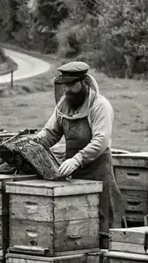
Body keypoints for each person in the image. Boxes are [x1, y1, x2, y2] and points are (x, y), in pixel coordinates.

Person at [31, 61, 128, 228]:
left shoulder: (100, 106)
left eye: (71, 85)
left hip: (97, 173)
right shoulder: (63, 106)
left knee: (104, 222)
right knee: (79, 224)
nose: (67, 89)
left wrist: (77, 159)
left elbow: (101, 141)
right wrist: (33, 145)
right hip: (74, 175)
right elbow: (51, 133)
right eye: (65, 85)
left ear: (84, 83)